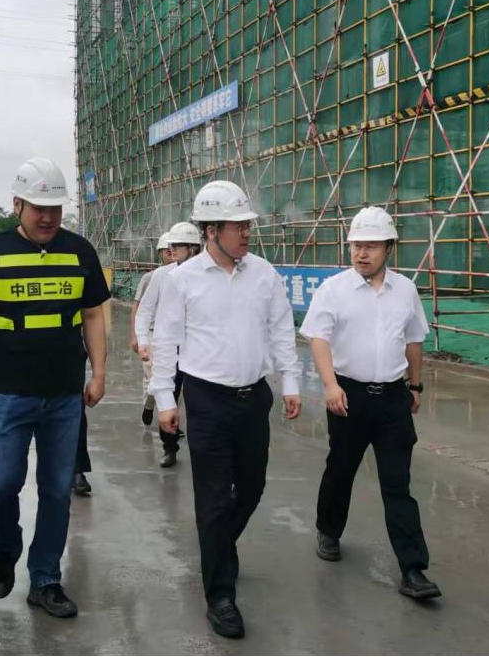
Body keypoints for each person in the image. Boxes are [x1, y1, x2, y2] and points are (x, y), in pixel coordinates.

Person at [0, 157, 110, 619]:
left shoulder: (80, 252)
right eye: (39, 207)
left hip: (64, 395)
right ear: (17, 204)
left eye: (55, 208)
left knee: (57, 491)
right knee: (1, 484)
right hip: (9, 392)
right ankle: (6, 552)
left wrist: (99, 372)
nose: (47, 217)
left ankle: (45, 580)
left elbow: (93, 314)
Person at [150, 180, 301, 640]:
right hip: (207, 400)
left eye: (248, 225)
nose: (247, 232)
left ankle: (217, 547)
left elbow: (281, 330)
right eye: (238, 226)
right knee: (214, 498)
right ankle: (220, 596)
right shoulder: (183, 280)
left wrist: (291, 382)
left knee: (252, 489)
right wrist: (164, 399)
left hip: (254, 398)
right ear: (211, 231)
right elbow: (165, 341)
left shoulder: (264, 274)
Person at [300, 206, 441, 600]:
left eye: (371, 246)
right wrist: (330, 385)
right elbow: (318, 338)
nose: (362, 253)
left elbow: (413, 340)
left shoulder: (406, 290)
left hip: (393, 398)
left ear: (389, 248)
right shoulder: (334, 289)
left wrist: (415, 386)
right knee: (341, 469)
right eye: (356, 245)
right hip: (349, 395)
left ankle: (413, 568)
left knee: (398, 483)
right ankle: (328, 530)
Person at [136, 222, 201, 468]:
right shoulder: (162, 275)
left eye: (177, 245)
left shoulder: (207, 275)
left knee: (197, 400)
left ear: (193, 248)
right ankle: (169, 447)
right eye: (170, 245)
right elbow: (144, 310)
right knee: (168, 395)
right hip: (169, 348)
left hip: (197, 350)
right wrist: (142, 340)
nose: (171, 249)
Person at [130, 233, 172, 427]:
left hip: (174, 336)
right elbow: (138, 308)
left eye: (174, 249)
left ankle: (170, 421)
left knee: (176, 382)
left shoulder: (186, 276)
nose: (171, 254)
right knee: (153, 377)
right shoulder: (150, 277)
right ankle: (148, 406)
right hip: (152, 333)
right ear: (160, 253)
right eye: (167, 251)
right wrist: (136, 336)